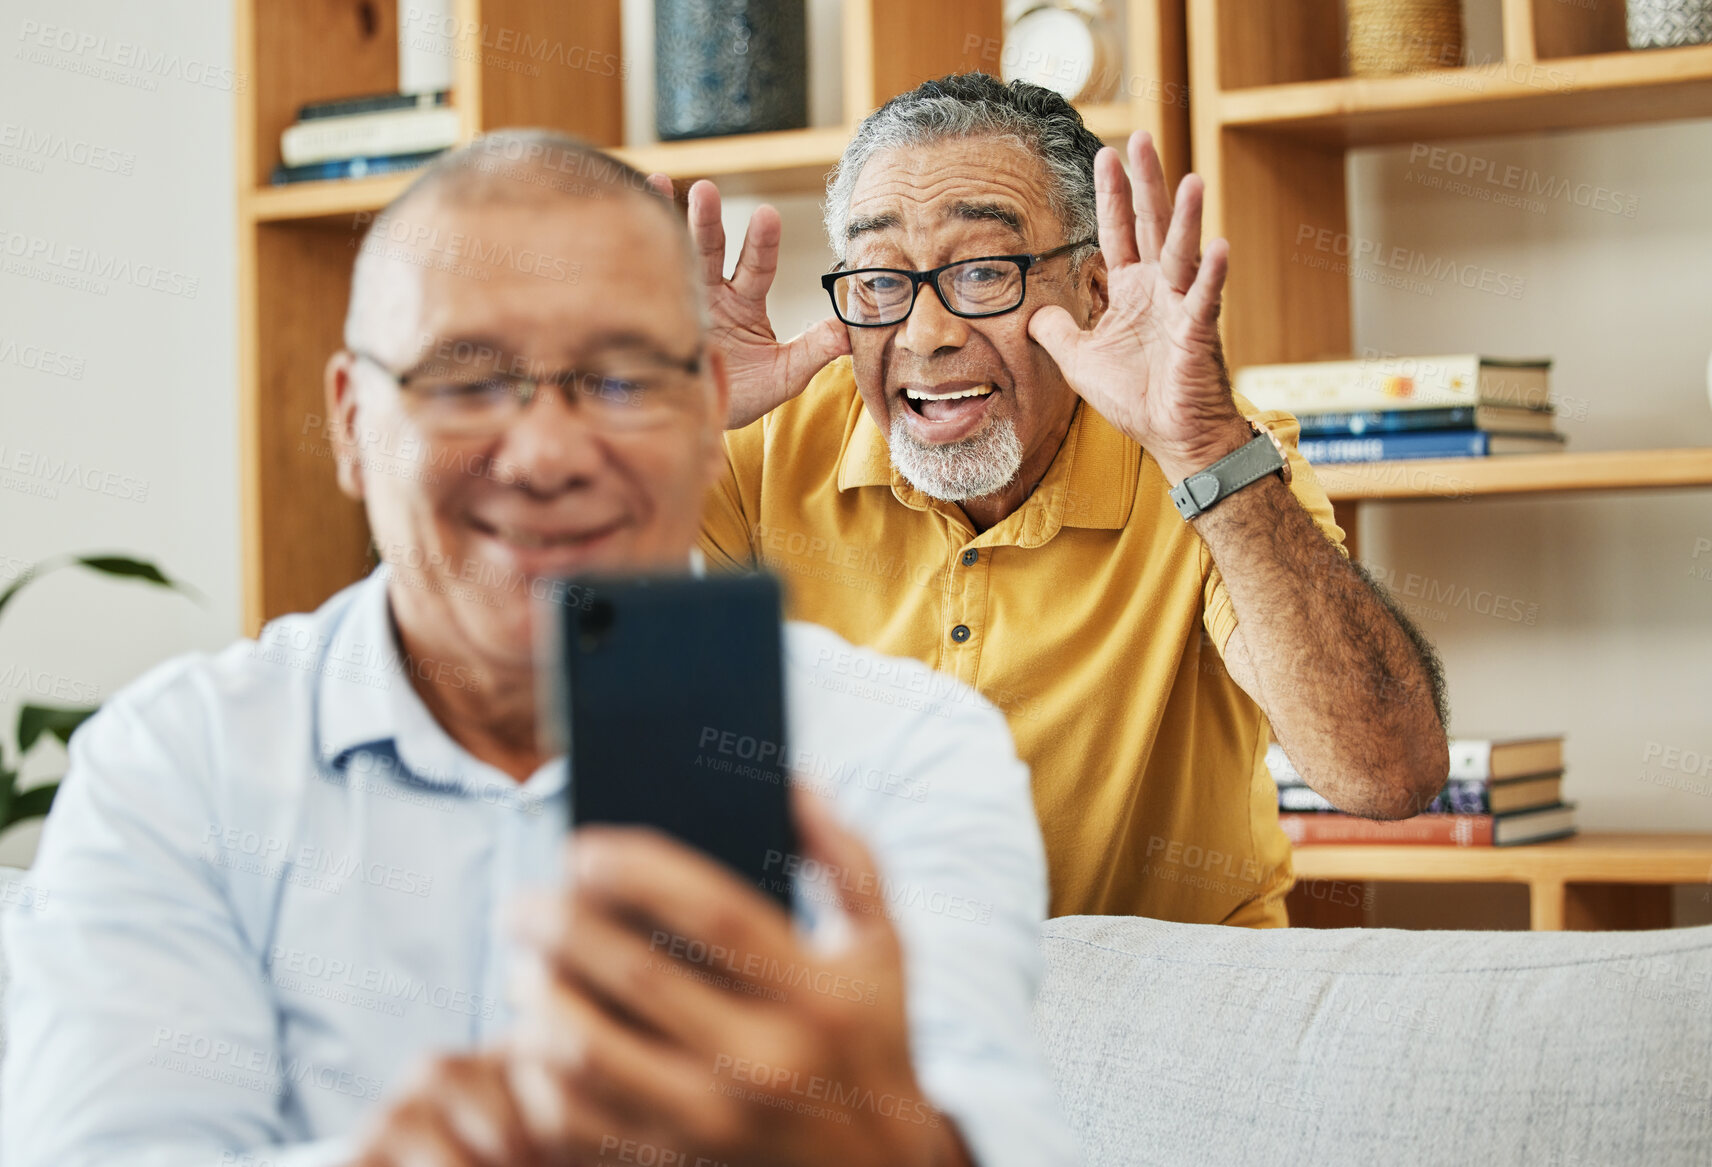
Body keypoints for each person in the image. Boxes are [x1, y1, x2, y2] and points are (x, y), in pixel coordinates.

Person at [1, 132, 1077, 1167]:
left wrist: (892, 1148)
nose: (550, 454)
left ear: (709, 413)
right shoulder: (173, 763)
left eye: (619, 381)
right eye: (465, 381)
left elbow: (988, 1125)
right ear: (348, 420)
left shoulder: (906, 753)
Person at [679, 73, 1452, 928]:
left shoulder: (1213, 460)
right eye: (879, 279)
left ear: (1094, 290)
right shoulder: (758, 443)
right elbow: (544, 725)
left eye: (981, 271)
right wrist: (637, 429)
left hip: (1152, 1017)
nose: (926, 335)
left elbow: (1390, 775)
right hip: (856, 1015)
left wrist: (1203, 450)